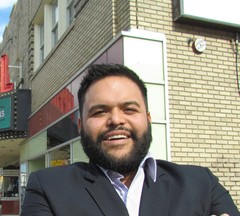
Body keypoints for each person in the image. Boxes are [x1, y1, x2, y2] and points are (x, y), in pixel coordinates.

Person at [21, 64, 239, 216]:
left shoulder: (201, 183)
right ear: (81, 127)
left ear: (148, 119)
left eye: (129, 109)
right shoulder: (48, 188)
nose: (116, 120)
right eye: (99, 112)